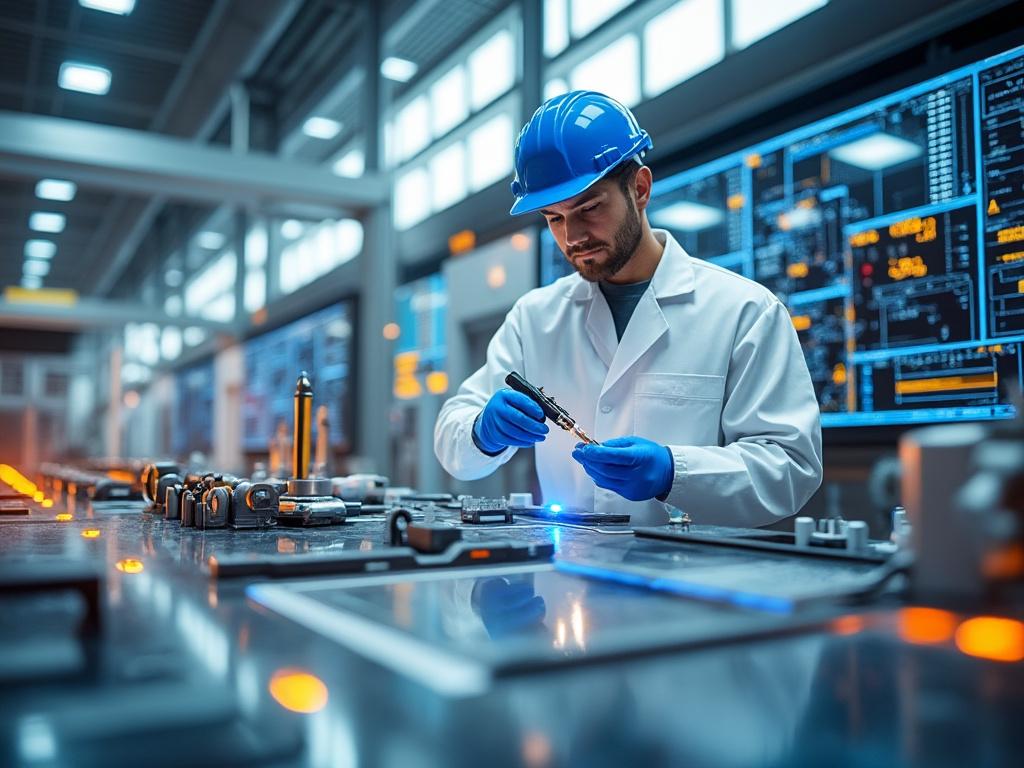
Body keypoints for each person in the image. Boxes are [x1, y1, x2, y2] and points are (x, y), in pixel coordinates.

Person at [434, 91, 822, 526]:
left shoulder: (745, 311)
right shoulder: (535, 318)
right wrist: (483, 432)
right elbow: (453, 438)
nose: (573, 235)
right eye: (554, 219)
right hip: (568, 585)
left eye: (589, 208)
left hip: (694, 582)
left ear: (639, 188)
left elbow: (790, 467)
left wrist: (674, 472)